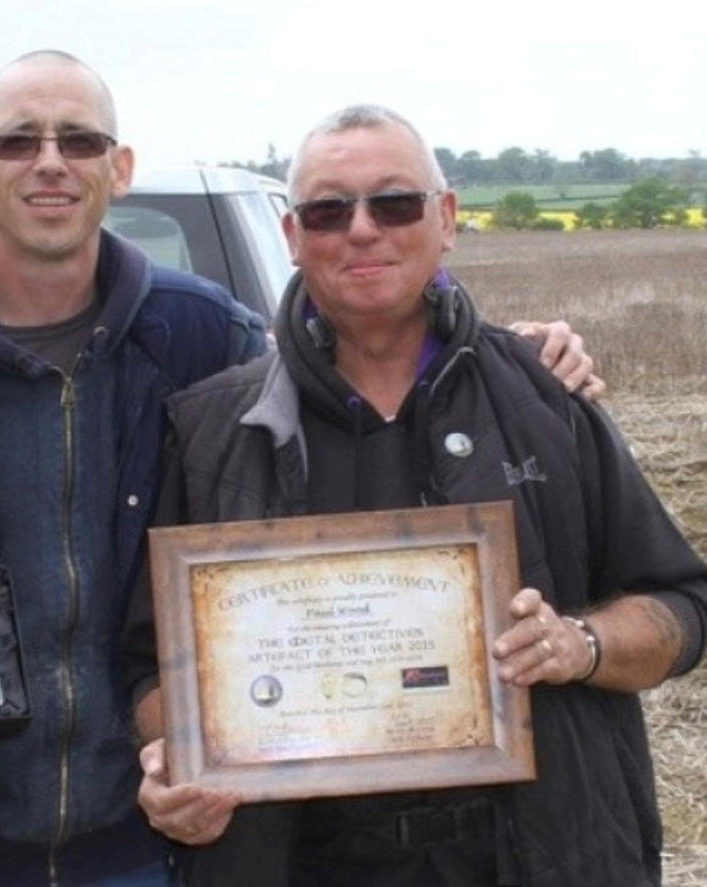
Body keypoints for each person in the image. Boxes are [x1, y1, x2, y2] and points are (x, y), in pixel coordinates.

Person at [0, 50, 595, 886]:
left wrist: (504, 350)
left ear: (119, 168)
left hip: (142, 840)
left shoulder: (204, 336)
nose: (51, 161)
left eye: (81, 140)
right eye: (18, 141)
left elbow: (355, 345)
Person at [125, 105, 707, 887]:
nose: (362, 230)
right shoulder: (209, 430)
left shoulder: (548, 399)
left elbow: (684, 605)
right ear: (294, 238)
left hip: (534, 857)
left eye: (394, 203)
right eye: (329, 211)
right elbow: (146, 663)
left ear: (447, 219)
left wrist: (580, 644)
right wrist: (175, 759)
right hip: (299, 864)